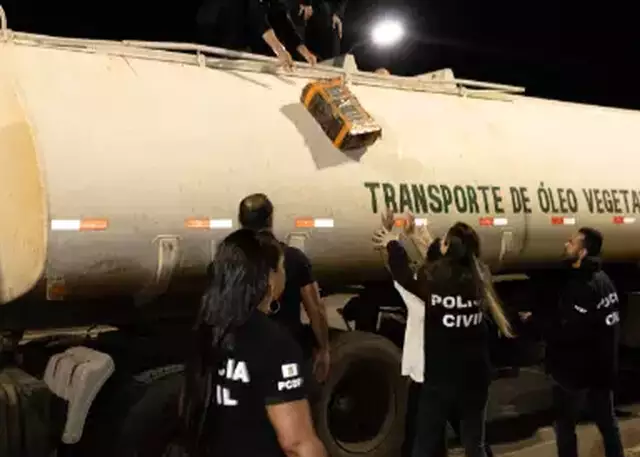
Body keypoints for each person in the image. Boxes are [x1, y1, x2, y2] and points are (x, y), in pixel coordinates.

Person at [373, 215, 513, 457]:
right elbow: (441, 259)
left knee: (424, 445)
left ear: (449, 249)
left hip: (441, 380)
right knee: (475, 444)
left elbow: (404, 276)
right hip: (475, 378)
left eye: (444, 242)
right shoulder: (480, 276)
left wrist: (393, 242)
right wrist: (418, 235)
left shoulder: (433, 281)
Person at [179, 229, 327, 457]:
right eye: (281, 267)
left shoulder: (207, 329)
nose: (284, 274)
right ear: (269, 277)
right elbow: (296, 443)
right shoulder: (274, 343)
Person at [519, 228, 624, 457]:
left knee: (565, 426)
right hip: (602, 371)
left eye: (572, 242)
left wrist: (535, 321)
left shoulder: (582, 286)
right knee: (608, 423)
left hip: (577, 373)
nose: (567, 243)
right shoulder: (604, 280)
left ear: (582, 252)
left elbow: (569, 331)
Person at [238, 193, 331, 384]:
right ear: (270, 219)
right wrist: (324, 349)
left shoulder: (228, 261)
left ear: (240, 221)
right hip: (283, 354)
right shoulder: (293, 258)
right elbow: (316, 309)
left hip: (241, 355)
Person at [195, 0, 317, 69]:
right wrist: (279, 50)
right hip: (214, 28)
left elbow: (280, 18)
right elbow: (256, 17)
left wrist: (303, 50)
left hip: (238, 35)